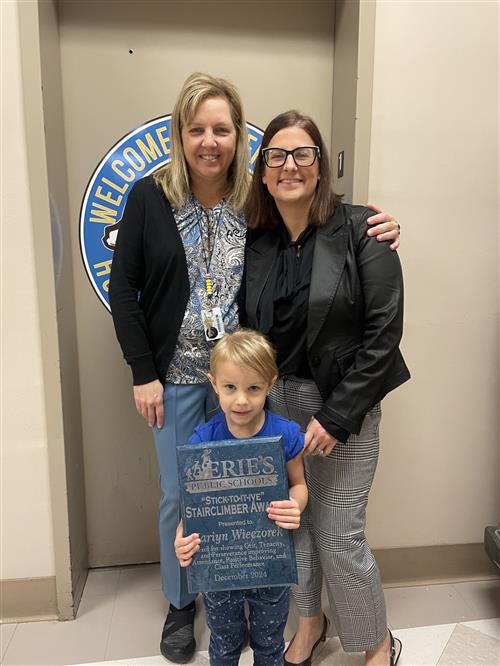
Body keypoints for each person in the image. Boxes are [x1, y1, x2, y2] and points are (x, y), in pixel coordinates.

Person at [108, 71, 401, 664]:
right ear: (180, 134)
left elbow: (342, 274)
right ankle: (183, 601)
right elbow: (126, 289)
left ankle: (260, 600)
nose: (210, 140)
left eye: (222, 129)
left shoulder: (258, 202)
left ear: (241, 140)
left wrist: (382, 227)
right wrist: (142, 370)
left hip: (254, 384)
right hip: (183, 376)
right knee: (183, 492)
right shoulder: (149, 197)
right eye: (197, 129)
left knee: (265, 495)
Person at [240, 111, 410, 666]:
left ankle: (379, 643)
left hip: (343, 405)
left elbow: (384, 334)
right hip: (279, 408)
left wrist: (337, 418)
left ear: (320, 166)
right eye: (277, 155)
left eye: (303, 153)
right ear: (263, 171)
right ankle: (310, 623)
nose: (290, 165)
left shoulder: (364, 229)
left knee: (338, 534)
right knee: (296, 526)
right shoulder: (257, 243)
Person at [175, 329, 307, 666]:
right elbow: (194, 507)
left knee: (269, 645)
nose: (241, 400)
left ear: (270, 384)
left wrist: (296, 505)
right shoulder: (202, 440)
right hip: (219, 568)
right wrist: (182, 538)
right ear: (214, 383)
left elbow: (299, 484)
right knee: (224, 644)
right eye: (230, 387)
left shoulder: (286, 434)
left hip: (269, 560)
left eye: (253, 388)